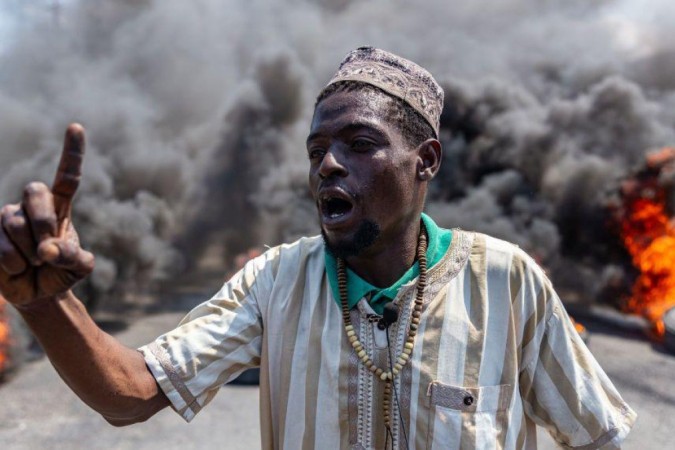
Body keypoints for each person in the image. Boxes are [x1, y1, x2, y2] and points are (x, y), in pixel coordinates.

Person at [0, 47, 635, 449]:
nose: (328, 164)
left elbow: (598, 436)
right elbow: (130, 393)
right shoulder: (275, 282)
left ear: (426, 160)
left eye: (360, 144)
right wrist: (45, 303)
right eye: (316, 151)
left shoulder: (505, 280)